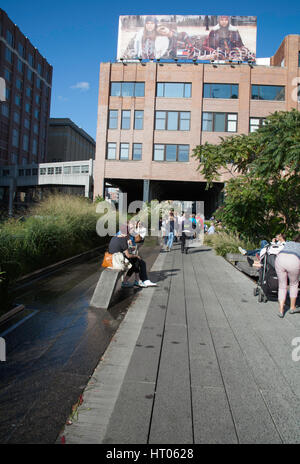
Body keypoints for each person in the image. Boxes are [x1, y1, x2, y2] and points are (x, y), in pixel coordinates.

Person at [275, 234, 300, 318]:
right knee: (293, 284)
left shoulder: (289, 243)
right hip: (293, 260)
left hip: (280, 259)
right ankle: (292, 307)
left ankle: (281, 310)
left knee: (282, 286)